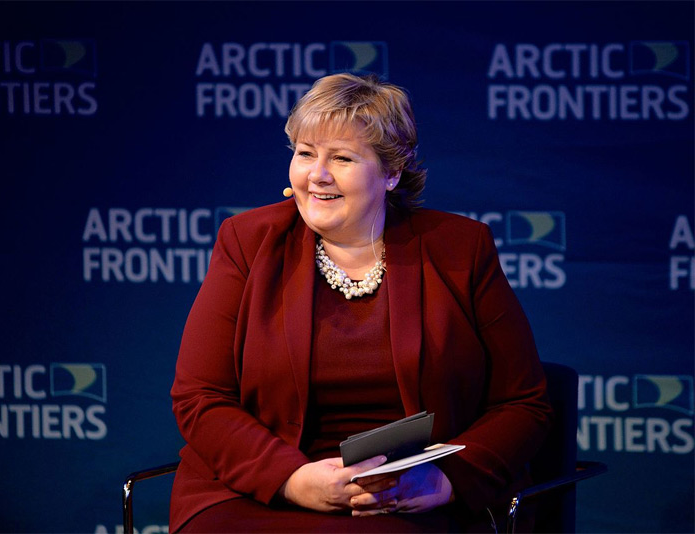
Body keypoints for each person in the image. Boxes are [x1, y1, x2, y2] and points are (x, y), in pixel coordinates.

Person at [169, 73, 552, 533]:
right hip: (258, 489)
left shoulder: (459, 249)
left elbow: (524, 402)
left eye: (342, 158)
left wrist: (446, 480)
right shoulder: (247, 242)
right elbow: (200, 396)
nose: (317, 175)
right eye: (306, 154)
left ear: (392, 173)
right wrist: (290, 478)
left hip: (402, 499)